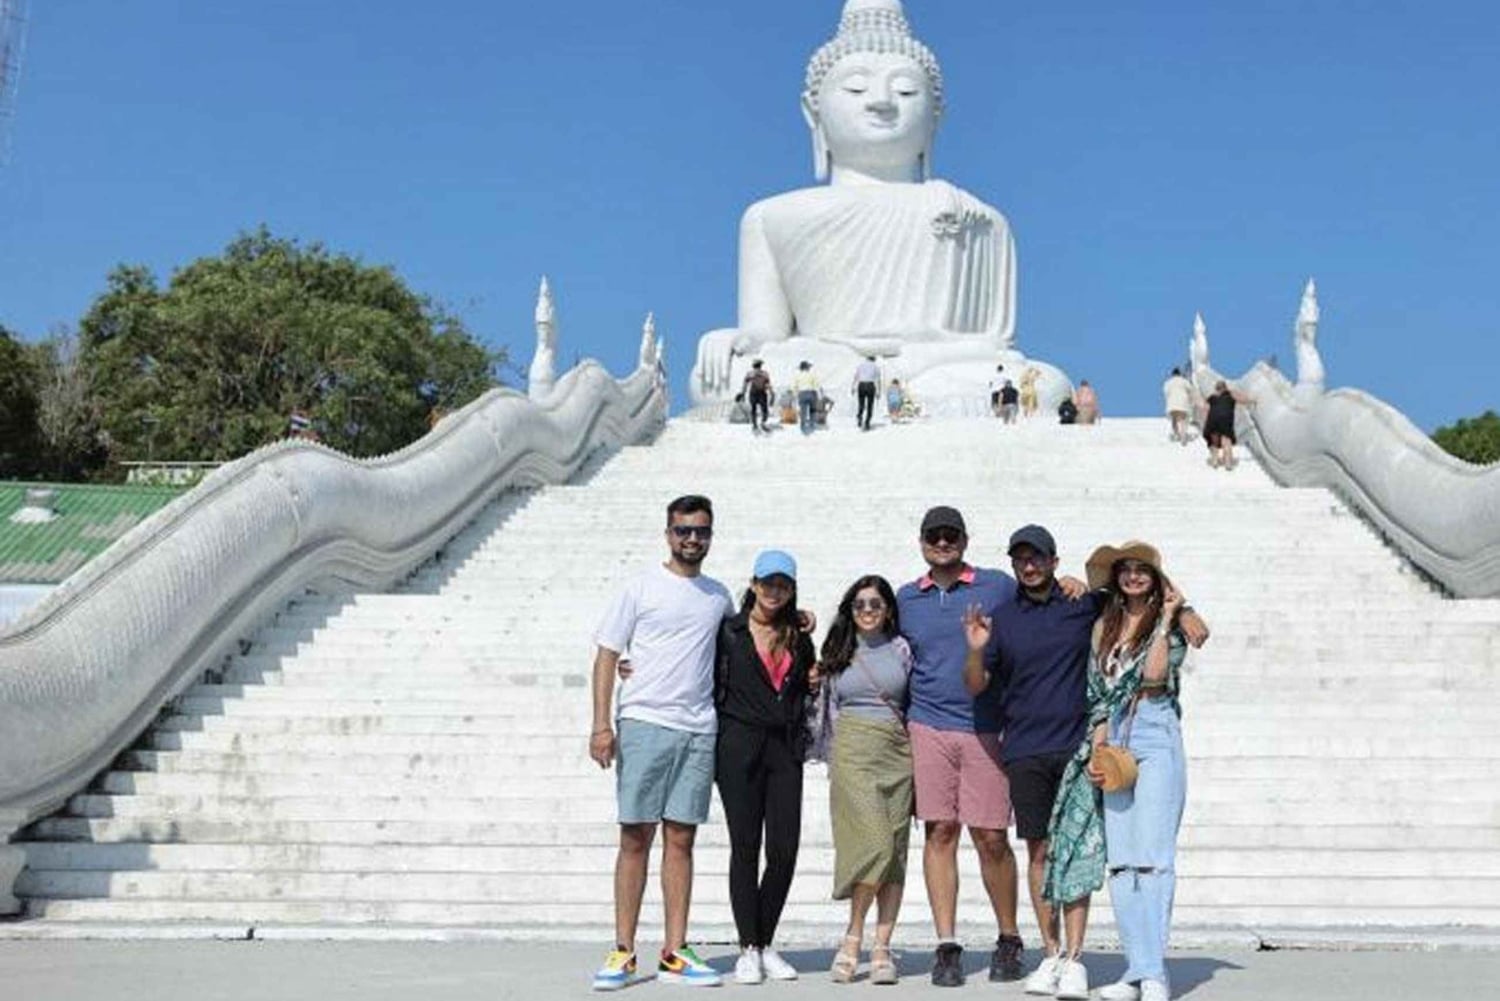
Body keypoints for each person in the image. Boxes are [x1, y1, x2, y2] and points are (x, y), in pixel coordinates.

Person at [960, 529, 1210, 999]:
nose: (1029, 565)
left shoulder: (1087, 605)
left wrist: (1184, 609)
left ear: (1054, 561)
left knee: (1127, 857)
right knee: (1091, 859)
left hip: (1117, 738)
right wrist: (975, 647)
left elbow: (1152, 637)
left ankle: (1123, 966)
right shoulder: (1042, 618)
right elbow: (981, 685)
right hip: (1063, 743)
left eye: (1037, 558)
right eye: (1021, 558)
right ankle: (1086, 959)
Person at [590, 495, 735, 990]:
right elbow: (608, 656)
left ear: (711, 536)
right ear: (668, 532)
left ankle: (675, 950)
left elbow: (737, 650)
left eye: (701, 531)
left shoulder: (719, 596)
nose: (692, 539)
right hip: (645, 722)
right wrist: (601, 725)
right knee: (635, 837)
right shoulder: (641, 587)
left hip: (698, 728)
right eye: (683, 530)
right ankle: (623, 950)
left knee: (682, 839)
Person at [897, 507, 1046, 987]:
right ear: (921, 542)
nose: (943, 543)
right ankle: (947, 944)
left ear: (964, 539)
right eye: (934, 536)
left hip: (987, 728)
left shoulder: (997, 585)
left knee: (991, 837)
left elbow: (1040, 594)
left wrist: (1074, 586)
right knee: (939, 831)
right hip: (928, 726)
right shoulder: (906, 599)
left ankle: (1008, 936)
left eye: (951, 535)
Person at [1083, 542, 1192, 1001]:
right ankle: (1137, 969)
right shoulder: (1103, 625)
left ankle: (1153, 974)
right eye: (1124, 569)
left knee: (1154, 860)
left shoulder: (1173, 626)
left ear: (1155, 576)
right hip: (1115, 737)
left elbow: (1152, 676)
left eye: (1140, 569)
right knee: (1122, 861)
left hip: (1155, 729)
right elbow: (1097, 690)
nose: (1131, 576)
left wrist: (1167, 619)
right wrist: (1098, 744)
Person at [715, 550, 819, 985]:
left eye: (784, 585)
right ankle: (747, 947)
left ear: (792, 589)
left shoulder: (798, 635)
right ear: (754, 584)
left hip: (784, 749)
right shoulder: (729, 632)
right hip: (738, 745)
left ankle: (766, 941)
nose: (775, 591)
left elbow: (808, 683)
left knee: (784, 850)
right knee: (744, 847)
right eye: (768, 583)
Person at [815, 575, 913, 985]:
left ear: (888, 609)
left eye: (875, 604)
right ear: (849, 610)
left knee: (895, 851)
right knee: (874, 844)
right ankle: (854, 936)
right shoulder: (837, 650)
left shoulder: (903, 649)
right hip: (852, 750)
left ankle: (882, 947)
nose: (867, 611)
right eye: (859, 605)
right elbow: (820, 704)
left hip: (897, 752)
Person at [1203, 380, 1255, 469]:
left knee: (1214, 441)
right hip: (1226, 420)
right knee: (1226, 441)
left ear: (1216, 388)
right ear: (1225, 387)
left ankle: (1215, 461)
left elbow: (1205, 408)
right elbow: (1242, 400)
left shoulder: (1212, 397)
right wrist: (1252, 401)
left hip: (1212, 419)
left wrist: (1207, 421)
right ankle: (1228, 463)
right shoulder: (1231, 394)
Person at [1161, 368, 1193, 444]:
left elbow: (1165, 393)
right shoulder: (1184, 381)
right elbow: (1191, 390)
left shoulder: (1167, 382)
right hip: (1183, 403)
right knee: (1183, 420)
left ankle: (1176, 434)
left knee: (1174, 420)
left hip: (1172, 404)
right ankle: (1183, 436)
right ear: (1180, 374)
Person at [743, 360, 774, 434]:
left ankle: (754, 425)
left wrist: (743, 393)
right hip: (762, 393)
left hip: (753, 393)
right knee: (764, 409)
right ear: (760, 366)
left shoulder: (750, 373)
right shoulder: (765, 374)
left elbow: (745, 384)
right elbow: (768, 385)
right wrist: (772, 393)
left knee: (753, 409)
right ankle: (763, 422)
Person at [852, 355, 882, 431]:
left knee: (861, 403)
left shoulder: (861, 365)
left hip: (861, 385)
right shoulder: (876, 367)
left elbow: (856, 376)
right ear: (874, 359)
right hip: (870, 385)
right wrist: (878, 392)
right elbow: (878, 380)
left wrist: (853, 387)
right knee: (870, 405)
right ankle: (867, 422)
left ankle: (859, 416)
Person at [793, 361, 822, 435]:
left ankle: (803, 427)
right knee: (812, 410)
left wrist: (796, 394)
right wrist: (819, 395)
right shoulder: (812, 375)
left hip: (802, 393)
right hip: (811, 393)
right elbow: (816, 385)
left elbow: (794, 386)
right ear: (807, 367)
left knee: (803, 411)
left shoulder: (797, 376)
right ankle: (812, 425)